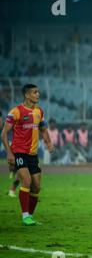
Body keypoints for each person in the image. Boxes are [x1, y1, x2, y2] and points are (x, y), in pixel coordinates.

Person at [1, 84, 54, 226]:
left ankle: (30, 216)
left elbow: (43, 129)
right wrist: (9, 153)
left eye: (38, 92)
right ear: (27, 95)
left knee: (36, 187)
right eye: (35, 92)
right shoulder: (16, 112)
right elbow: (4, 133)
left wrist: (48, 143)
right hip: (19, 152)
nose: (38, 94)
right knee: (26, 181)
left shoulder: (39, 112)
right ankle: (25, 217)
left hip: (33, 154)